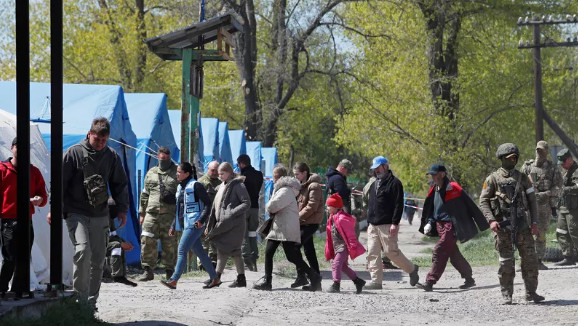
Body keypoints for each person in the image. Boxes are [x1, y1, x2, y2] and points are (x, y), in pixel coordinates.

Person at [62, 117, 129, 309]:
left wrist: (123, 209)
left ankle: (90, 306)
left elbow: (120, 184)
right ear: (89, 134)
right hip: (76, 212)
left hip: (100, 214)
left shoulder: (112, 156)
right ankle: (79, 301)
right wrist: (55, 208)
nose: (100, 144)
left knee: (98, 260)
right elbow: (59, 183)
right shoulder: (73, 153)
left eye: (104, 140)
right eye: (96, 139)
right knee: (83, 251)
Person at [479, 143, 544, 304]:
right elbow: (483, 201)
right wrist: (491, 220)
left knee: (530, 260)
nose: (513, 160)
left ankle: (531, 293)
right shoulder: (492, 179)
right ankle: (507, 294)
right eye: (509, 158)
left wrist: (535, 222)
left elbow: (532, 201)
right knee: (506, 262)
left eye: (515, 157)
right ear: (501, 158)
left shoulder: (523, 178)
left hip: (523, 226)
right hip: (503, 226)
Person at [416, 164, 489, 292]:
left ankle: (430, 281)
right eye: (431, 174)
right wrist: (430, 222)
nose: (432, 176)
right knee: (453, 254)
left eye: (435, 174)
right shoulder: (434, 189)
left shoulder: (453, 187)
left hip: (451, 225)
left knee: (440, 249)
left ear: (442, 174)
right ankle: (469, 279)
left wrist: (482, 222)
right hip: (440, 225)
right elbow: (433, 209)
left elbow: (469, 204)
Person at [253, 165, 322, 291]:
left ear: (279, 177)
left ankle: (268, 282)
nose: (273, 179)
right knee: (290, 255)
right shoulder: (284, 189)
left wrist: (269, 206)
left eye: (274, 176)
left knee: (277, 254)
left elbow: (272, 206)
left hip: (283, 227)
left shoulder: (285, 190)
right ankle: (313, 276)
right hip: (282, 226)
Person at [0, 137, 48, 298]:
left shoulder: (33, 171)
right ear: (12, 148)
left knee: (24, 257)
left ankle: (18, 290)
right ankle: (1, 288)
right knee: (10, 257)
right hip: (8, 220)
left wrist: (39, 200)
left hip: (26, 220)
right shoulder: (2, 169)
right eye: (18, 147)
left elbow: (42, 195)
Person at [161, 162, 219, 289]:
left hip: (195, 224)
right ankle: (214, 278)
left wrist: (201, 220)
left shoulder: (196, 185)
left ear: (187, 173)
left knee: (182, 250)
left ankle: (174, 280)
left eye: (179, 172)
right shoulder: (180, 187)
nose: (177, 174)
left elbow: (208, 204)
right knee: (200, 253)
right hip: (186, 224)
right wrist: (173, 225)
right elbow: (180, 210)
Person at [365, 156, 419, 290]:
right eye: (375, 168)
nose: (376, 170)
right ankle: (376, 282)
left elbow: (398, 205)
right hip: (373, 225)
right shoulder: (374, 183)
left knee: (391, 252)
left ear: (385, 166)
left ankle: (412, 269)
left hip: (387, 225)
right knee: (372, 252)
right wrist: (368, 220)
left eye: (378, 167)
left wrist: (395, 223)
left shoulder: (395, 183)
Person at [205, 162, 251, 288]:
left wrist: (231, 213)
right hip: (224, 223)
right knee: (227, 250)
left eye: (222, 174)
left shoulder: (238, 185)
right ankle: (235, 278)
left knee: (228, 250)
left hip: (235, 225)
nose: (220, 176)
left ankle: (217, 278)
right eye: (219, 174)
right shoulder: (222, 186)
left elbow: (246, 203)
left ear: (230, 173)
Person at [138, 147, 179, 281]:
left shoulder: (176, 171)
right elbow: (145, 193)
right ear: (157, 157)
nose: (163, 161)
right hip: (151, 213)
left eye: (166, 159)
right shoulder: (151, 172)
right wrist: (142, 212)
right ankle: (148, 270)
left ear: (170, 157)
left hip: (170, 214)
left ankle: (169, 271)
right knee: (147, 239)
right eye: (161, 159)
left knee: (169, 243)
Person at [521, 141, 562, 270]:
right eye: (538, 150)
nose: (539, 153)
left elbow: (559, 187)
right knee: (526, 234)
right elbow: (519, 184)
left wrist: (547, 193)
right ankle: (526, 261)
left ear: (546, 152)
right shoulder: (527, 167)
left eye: (542, 151)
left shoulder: (552, 168)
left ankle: (538, 260)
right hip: (528, 206)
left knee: (541, 234)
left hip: (544, 206)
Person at [325, 193, 366, 294]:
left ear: (335, 207)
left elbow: (351, 234)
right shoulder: (332, 217)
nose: (327, 208)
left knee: (336, 264)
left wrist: (353, 246)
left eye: (328, 206)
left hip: (344, 246)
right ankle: (358, 281)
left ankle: (336, 285)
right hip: (337, 246)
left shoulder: (342, 218)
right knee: (343, 266)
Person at [291, 162, 323, 289]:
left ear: (304, 173)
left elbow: (312, 206)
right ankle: (313, 281)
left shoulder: (313, 186)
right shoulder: (302, 186)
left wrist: (297, 217)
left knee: (294, 248)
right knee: (309, 252)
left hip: (310, 222)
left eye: (297, 174)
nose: (295, 177)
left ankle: (306, 276)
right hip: (304, 222)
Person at [363, 175, 397, 270]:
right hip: (383, 216)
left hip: (371, 216)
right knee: (386, 240)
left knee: (372, 240)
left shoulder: (367, 185)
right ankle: (385, 261)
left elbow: (364, 200)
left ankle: (370, 262)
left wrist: (368, 210)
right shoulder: (381, 184)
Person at [237, 154, 264, 271]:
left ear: (242, 164)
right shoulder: (259, 174)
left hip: (244, 208)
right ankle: (254, 257)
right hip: (255, 208)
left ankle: (247, 259)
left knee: (243, 234)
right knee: (253, 233)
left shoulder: (242, 176)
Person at [554, 148, 578, 266]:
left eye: (563, 162)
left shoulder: (576, 171)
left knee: (575, 232)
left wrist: (565, 189)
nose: (562, 165)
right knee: (561, 231)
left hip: (574, 208)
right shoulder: (566, 172)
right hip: (564, 207)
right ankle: (568, 257)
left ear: (569, 160)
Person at [106, 197, 137, 287]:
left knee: (120, 243)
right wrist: (121, 243)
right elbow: (101, 238)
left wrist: (123, 242)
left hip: (105, 243)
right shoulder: (101, 218)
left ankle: (122, 275)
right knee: (117, 245)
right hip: (96, 245)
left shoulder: (109, 218)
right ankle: (117, 276)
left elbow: (113, 235)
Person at [198, 161, 221, 267]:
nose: (215, 173)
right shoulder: (201, 182)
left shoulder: (221, 183)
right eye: (213, 170)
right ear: (208, 169)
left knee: (215, 239)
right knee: (203, 240)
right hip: (204, 216)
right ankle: (202, 263)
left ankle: (213, 260)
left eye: (217, 170)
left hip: (216, 216)